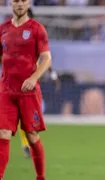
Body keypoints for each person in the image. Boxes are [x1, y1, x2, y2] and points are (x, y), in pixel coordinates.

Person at [0, 0, 52, 179]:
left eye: (23, 0)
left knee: (32, 136)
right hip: (6, 90)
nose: (20, 4)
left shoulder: (37, 29)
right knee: (3, 133)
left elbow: (46, 58)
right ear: (10, 3)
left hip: (28, 92)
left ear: (28, 3)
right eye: (16, 0)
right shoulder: (3, 29)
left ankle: (40, 177)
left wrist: (33, 77)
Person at [17, 8, 60, 159]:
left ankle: (27, 143)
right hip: (16, 80)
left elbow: (45, 57)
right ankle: (26, 144)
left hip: (33, 80)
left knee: (30, 115)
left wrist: (53, 74)